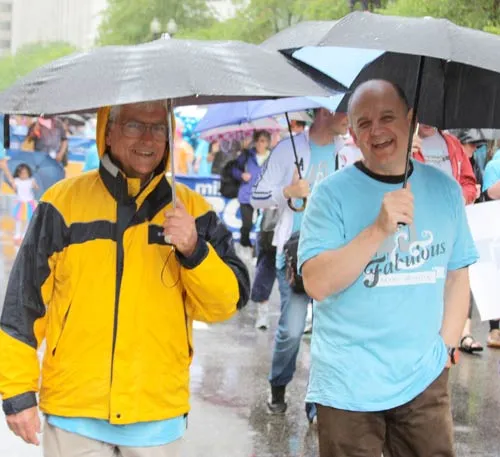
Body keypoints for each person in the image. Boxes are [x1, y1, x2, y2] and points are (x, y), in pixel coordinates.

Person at [0, 100, 250, 457]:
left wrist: (194, 250)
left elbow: (225, 305)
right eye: (134, 125)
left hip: (156, 415)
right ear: (109, 131)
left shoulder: (193, 211)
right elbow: (23, 306)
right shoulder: (61, 204)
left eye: (158, 128)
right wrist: (17, 392)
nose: (147, 139)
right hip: (75, 413)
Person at [298, 80, 478, 457]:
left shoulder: (445, 190)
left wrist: (444, 348)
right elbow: (316, 283)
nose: (376, 130)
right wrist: (378, 230)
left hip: (423, 378)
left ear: (411, 120)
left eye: (387, 117)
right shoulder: (329, 195)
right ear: (353, 134)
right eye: (364, 123)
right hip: (347, 383)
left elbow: (457, 274)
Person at [251, 108, 348, 421]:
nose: (349, 117)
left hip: (333, 256)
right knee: (292, 331)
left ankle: (317, 401)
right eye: (345, 109)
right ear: (325, 111)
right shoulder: (287, 149)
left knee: (326, 333)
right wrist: (287, 192)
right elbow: (256, 196)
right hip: (293, 256)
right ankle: (278, 386)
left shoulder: (347, 152)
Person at [232, 130, 271, 256]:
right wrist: (241, 175)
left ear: (267, 143)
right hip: (246, 195)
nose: (259, 144)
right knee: (246, 225)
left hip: (264, 196)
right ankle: (245, 248)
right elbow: (234, 170)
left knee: (263, 226)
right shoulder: (247, 155)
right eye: (257, 141)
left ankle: (260, 250)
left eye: (263, 141)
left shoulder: (272, 157)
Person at [417, 124, 477, 204]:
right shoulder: (405, 144)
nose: (426, 122)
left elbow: (469, 183)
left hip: (449, 209)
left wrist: (462, 198)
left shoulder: (453, 143)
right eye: (422, 117)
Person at [11, 163, 38, 244]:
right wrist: (13, 185)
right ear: (18, 173)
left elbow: (37, 188)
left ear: (28, 173)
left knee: (28, 220)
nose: (24, 175)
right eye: (21, 173)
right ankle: (17, 234)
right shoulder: (16, 180)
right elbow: (14, 190)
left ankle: (24, 234)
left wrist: (35, 185)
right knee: (18, 219)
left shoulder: (31, 180)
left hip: (29, 202)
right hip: (20, 202)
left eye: (25, 173)